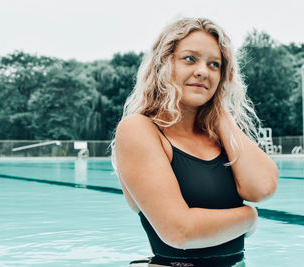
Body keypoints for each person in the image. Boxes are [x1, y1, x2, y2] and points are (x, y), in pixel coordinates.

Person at [112, 17, 279, 267]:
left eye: (214, 65)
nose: (202, 71)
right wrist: (249, 217)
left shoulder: (220, 136)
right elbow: (180, 232)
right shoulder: (139, 130)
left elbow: (262, 188)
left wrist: (220, 110)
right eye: (190, 59)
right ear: (164, 65)